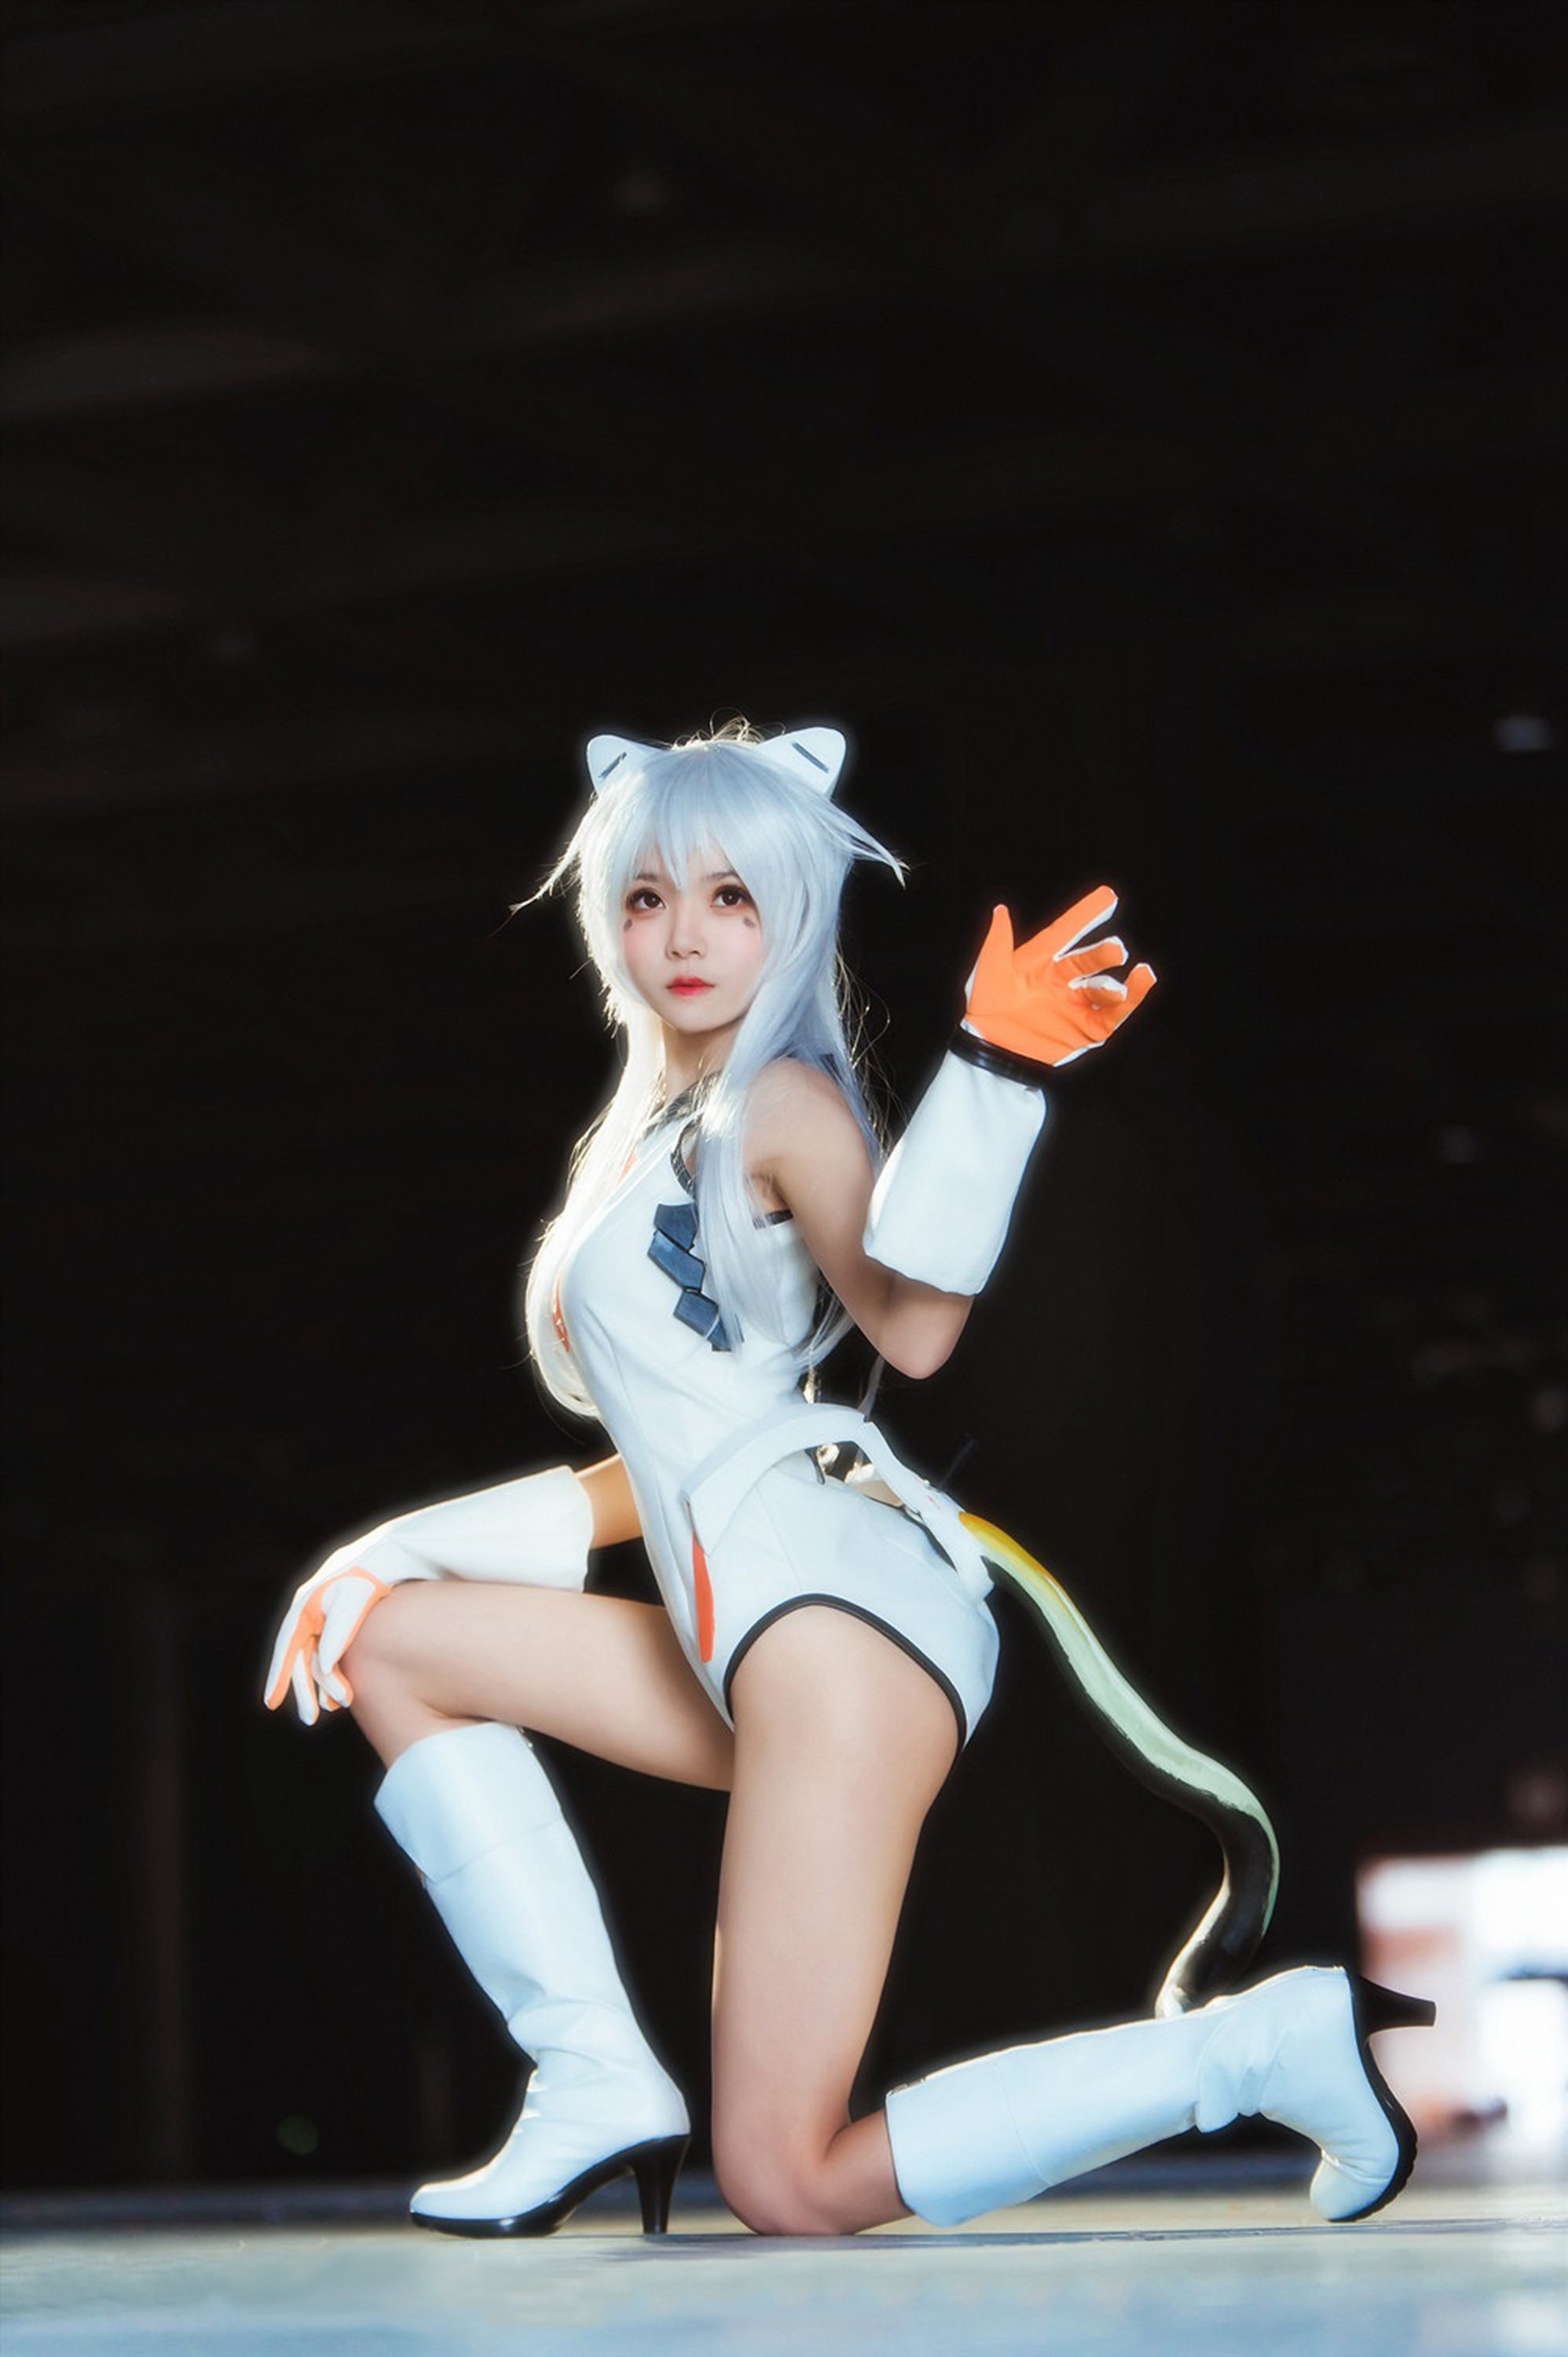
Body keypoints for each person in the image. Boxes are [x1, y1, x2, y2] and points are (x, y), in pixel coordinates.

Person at [263, 717, 1433, 2240]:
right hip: (742, 1615)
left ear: (794, 913)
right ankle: (592, 2077)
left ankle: (1258, 2051)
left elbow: (913, 1328)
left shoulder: (782, 1106)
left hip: (826, 1617)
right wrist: (379, 1556)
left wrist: (993, 1069)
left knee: (785, 2178)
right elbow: (657, 1461)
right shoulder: (649, 1135)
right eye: (648, 897)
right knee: (389, 1643)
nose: (686, 934)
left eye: (732, 897)